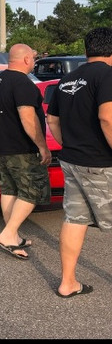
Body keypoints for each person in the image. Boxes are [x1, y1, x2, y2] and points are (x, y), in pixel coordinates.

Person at [46, 26, 112, 298]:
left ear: (87, 51)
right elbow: (107, 118)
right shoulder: (108, 76)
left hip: (71, 161)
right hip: (101, 163)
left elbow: (52, 119)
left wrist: (68, 145)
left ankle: (68, 282)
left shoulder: (67, 79)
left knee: (75, 219)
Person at [0, 44, 51, 258]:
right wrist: (42, 146)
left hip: (0, 145)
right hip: (20, 148)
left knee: (10, 189)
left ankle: (11, 234)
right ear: (25, 60)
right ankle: (8, 234)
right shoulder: (23, 83)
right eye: (33, 58)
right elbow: (27, 118)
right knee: (32, 190)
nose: (34, 62)